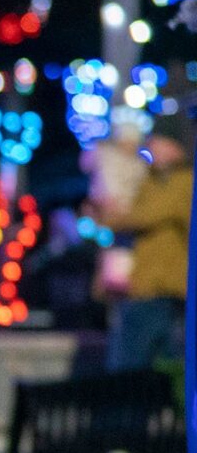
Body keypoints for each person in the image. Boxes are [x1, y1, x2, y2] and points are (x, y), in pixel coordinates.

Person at [94, 114, 193, 373]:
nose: (152, 148)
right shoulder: (149, 179)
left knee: (135, 369)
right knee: (131, 369)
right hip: (137, 287)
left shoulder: (183, 181)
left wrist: (110, 216)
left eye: (158, 142)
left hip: (163, 290)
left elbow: (143, 215)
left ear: (175, 145)